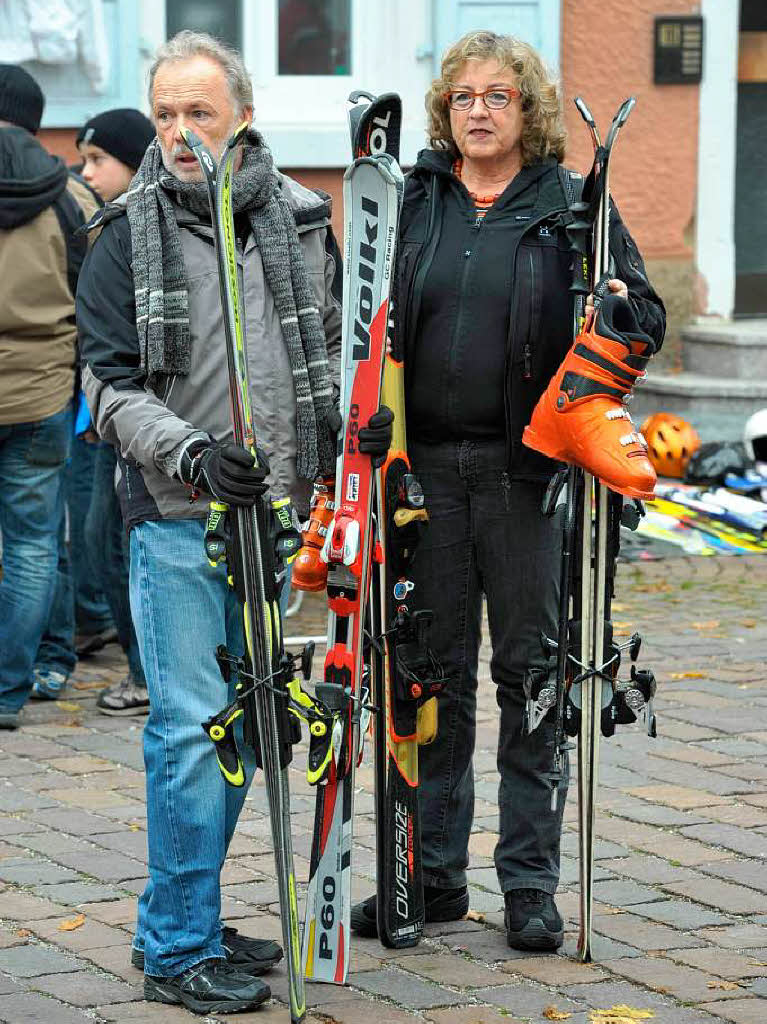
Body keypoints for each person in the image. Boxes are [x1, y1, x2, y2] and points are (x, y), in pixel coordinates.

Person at [76, 31, 390, 1015]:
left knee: (252, 726)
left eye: (196, 113)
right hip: (176, 513)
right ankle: (175, 948)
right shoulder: (123, 235)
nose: (176, 131)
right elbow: (106, 385)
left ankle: (185, 918)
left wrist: (360, 414)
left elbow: (340, 343)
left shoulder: (299, 220)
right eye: (163, 113)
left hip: (283, 513)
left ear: (242, 116)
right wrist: (191, 451)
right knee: (186, 732)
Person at [350, 31, 665, 952]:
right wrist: (372, 416)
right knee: (429, 680)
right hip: (425, 475)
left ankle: (527, 882)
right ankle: (432, 876)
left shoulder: (575, 206)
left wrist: (610, 316)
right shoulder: (414, 203)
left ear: (527, 112)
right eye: (462, 97)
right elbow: (366, 322)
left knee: (532, 679)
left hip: (533, 477)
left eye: (498, 95)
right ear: (446, 111)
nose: (478, 110)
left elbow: (643, 317)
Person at [0, 64, 98, 730]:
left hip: (40, 392)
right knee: (34, 543)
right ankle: (8, 690)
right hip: (42, 395)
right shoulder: (75, 197)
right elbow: (99, 303)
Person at [78, 107, 155, 715]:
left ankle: (145, 671)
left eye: (98, 160)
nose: (87, 172)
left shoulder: (138, 231)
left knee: (112, 543)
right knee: (103, 541)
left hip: (143, 424)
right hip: (108, 415)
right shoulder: (108, 227)